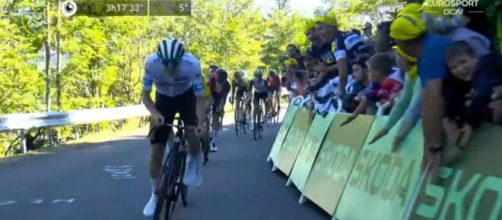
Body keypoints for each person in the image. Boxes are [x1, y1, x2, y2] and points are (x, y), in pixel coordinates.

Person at [141, 38, 205, 217]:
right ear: (160, 60)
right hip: (163, 98)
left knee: (192, 130)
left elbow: (200, 99)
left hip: (186, 96)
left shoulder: (192, 65)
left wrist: (200, 122)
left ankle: (194, 157)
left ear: (182, 58)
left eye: (174, 64)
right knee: (156, 149)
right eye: (166, 64)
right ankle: (154, 195)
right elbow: (145, 96)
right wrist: (154, 113)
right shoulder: (151, 64)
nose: (170, 68)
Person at [390, 12, 453, 178]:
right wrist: (428, 145)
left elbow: (434, 101)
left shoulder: (430, 54)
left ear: (400, 42)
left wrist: (434, 149)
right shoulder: (429, 47)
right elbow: (425, 103)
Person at [443, 41, 502, 147]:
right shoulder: (460, 82)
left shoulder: (487, 65)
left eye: (463, 62)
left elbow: (481, 96)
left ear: (475, 57)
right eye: (454, 67)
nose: (460, 69)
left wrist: (466, 132)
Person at [369, 46, 423, 151]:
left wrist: (400, 134)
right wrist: (386, 128)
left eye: (399, 55)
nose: (396, 58)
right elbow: (403, 102)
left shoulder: (420, 76)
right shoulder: (410, 73)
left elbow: (413, 107)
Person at [315, 9, 372, 97]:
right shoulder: (348, 34)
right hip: (371, 71)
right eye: (317, 30)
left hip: (367, 78)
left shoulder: (338, 41)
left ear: (332, 27)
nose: (318, 33)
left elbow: (343, 72)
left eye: (320, 29)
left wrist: (341, 91)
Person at [342, 53, 404, 124]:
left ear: (378, 72)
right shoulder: (377, 84)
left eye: (369, 71)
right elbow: (367, 101)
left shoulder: (392, 83)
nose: (368, 74)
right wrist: (353, 115)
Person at [210, 68, 230, 152]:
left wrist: (220, 107)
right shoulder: (211, 80)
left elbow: (223, 98)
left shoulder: (226, 84)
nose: (216, 76)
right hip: (210, 96)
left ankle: (213, 140)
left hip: (219, 98)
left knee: (216, 115)